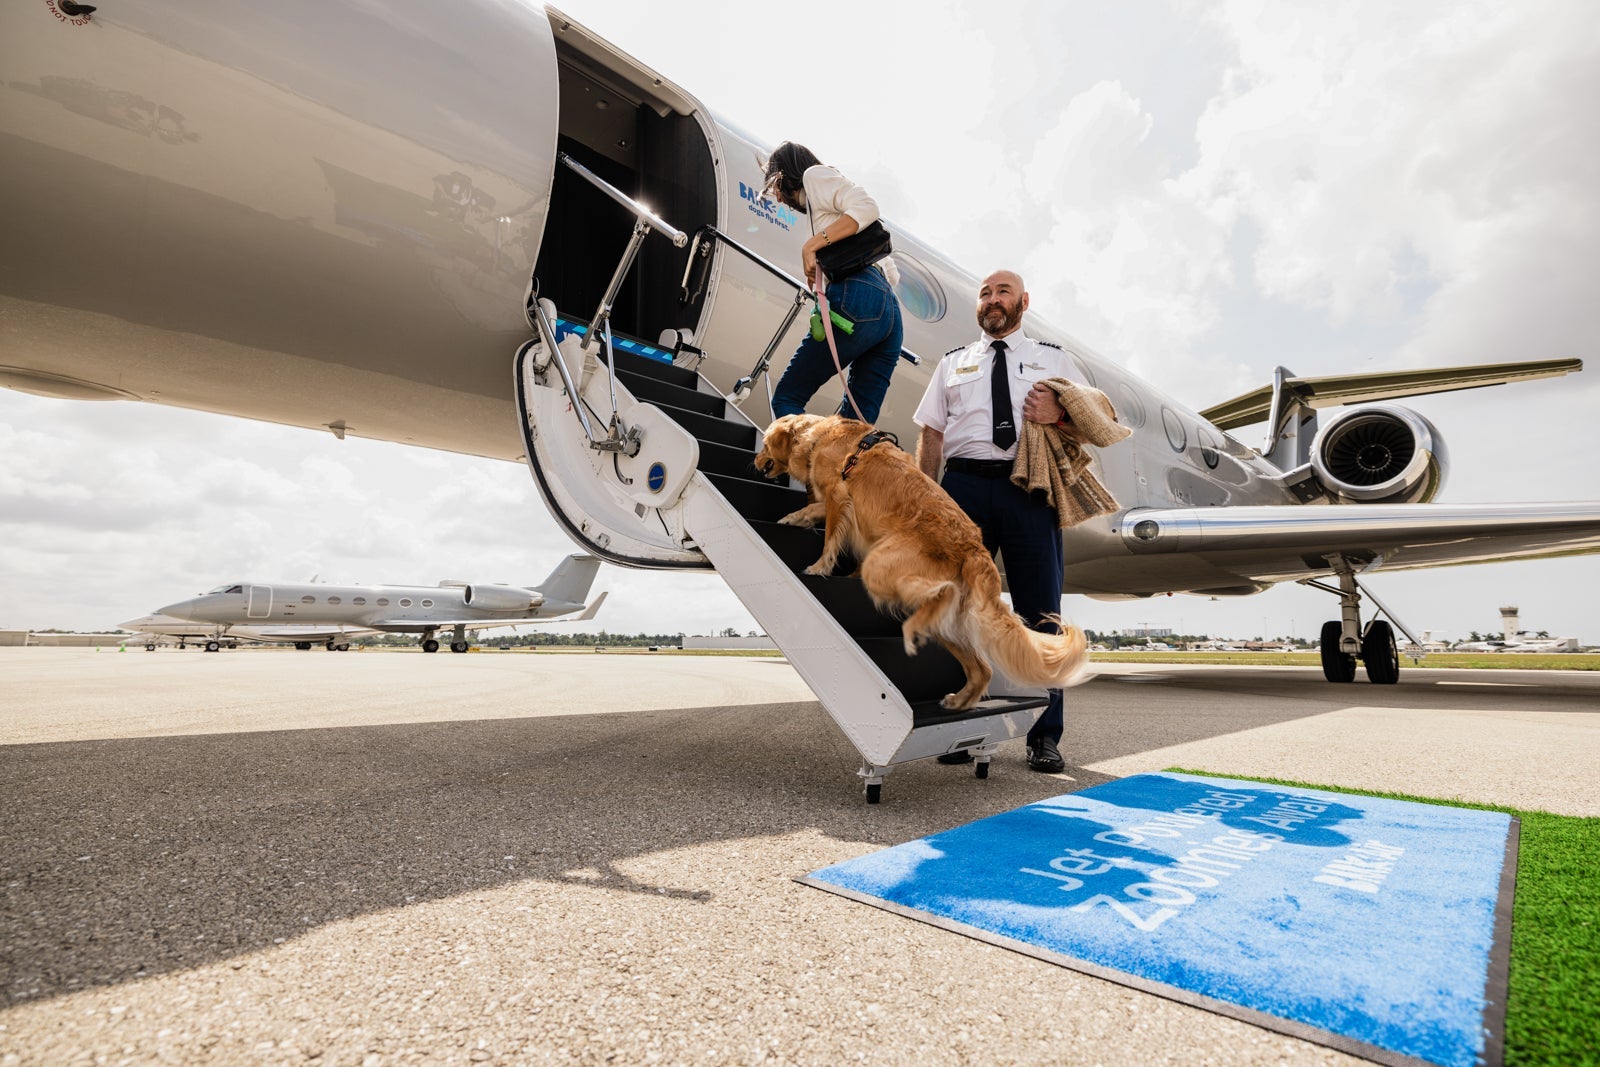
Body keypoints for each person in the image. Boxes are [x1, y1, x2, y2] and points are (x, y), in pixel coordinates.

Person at [911, 270, 1090, 774]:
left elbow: (1094, 421)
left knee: (1041, 611)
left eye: (1002, 292)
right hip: (964, 488)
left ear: (1023, 302)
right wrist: (927, 503)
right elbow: (931, 435)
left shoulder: (1054, 359)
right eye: (985, 294)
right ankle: (961, 729)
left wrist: (1058, 412)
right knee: (957, 610)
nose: (992, 300)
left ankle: (1045, 737)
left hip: (1028, 489)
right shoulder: (953, 364)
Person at [762, 142, 905, 424]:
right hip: (889, 314)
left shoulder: (814, 175)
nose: (776, 198)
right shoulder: (822, 209)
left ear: (781, 175)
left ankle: (810, 462)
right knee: (854, 425)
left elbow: (867, 206)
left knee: (787, 397)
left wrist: (812, 246)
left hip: (861, 294)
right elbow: (892, 277)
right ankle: (841, 464)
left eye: (772, 188)